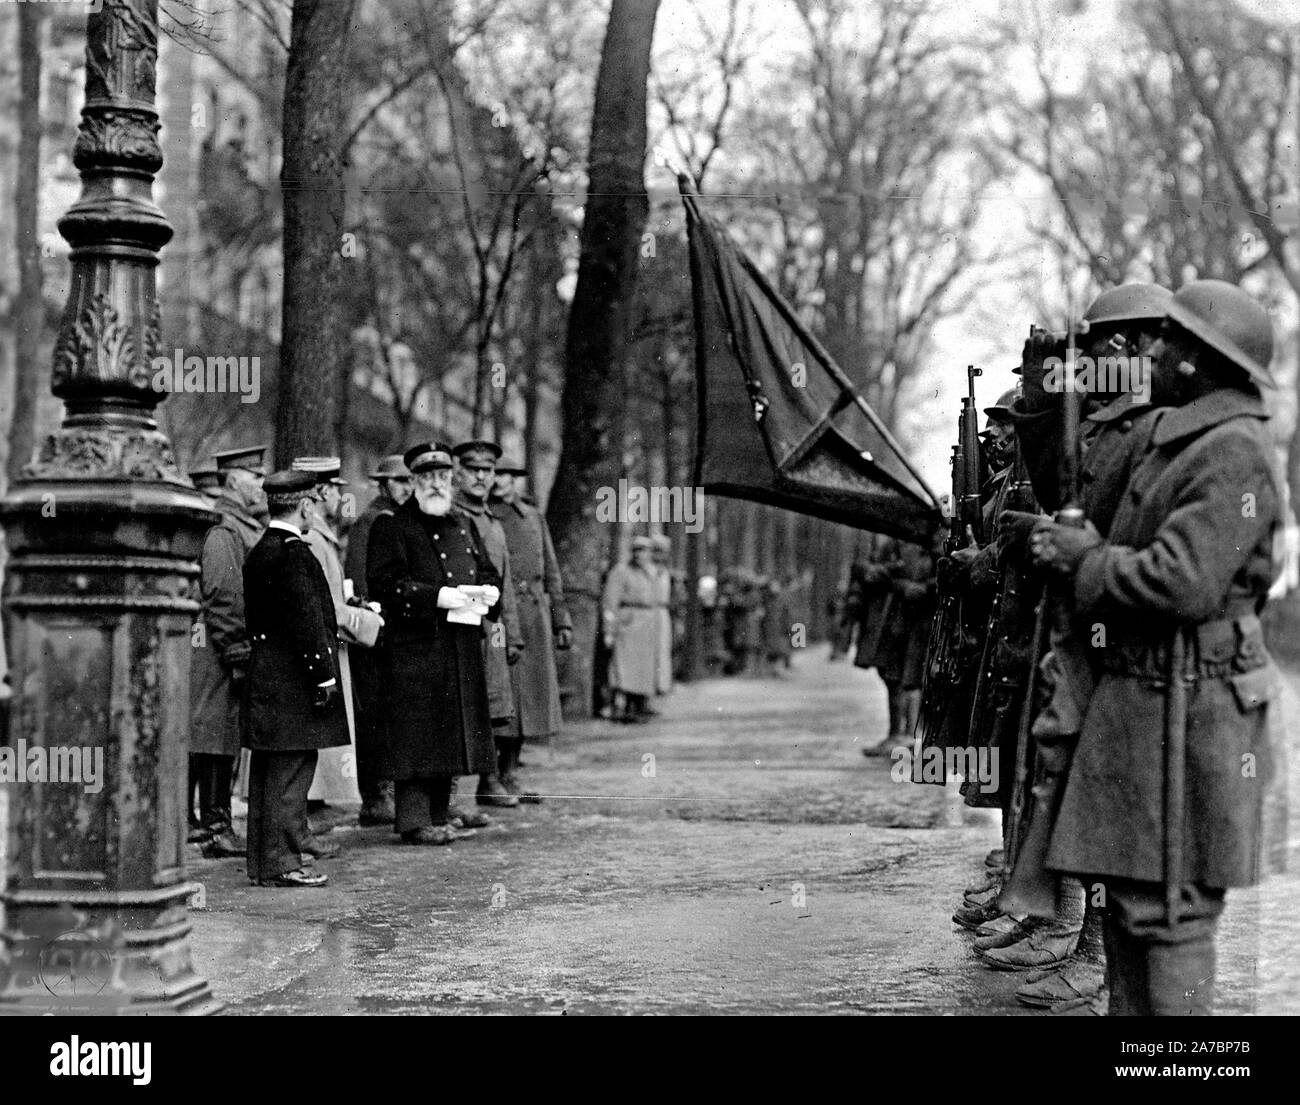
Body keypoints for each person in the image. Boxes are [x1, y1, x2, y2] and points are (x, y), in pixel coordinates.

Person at [1030, 279, 1280, 1016]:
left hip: (1193, 716)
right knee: (1133, 913)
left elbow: (1185, 581)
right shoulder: (1179, 436)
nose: (1156, 352)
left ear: (1199, 360)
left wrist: (1086, 559)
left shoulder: (1233, 450)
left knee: (1171, 919)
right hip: (1148, 703)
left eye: (1170, 341)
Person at [367, 441, 503, 845]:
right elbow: (386, 585)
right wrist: (436, 597)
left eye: (443, 477)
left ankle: (440, 814)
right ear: (413, 482)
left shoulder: (463, 524)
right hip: (416, 647)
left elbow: (487, 571)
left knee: (451, 731)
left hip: (460, 644)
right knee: (418, 735)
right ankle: (413, 821)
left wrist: (490, 593)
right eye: (427, 478)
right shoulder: (393, 526)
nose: (436, 485)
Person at [242, 470, 350, 888]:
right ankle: (285, 863)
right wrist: (324, 677)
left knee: (269, 774)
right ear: (305, 506)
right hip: (295, 684)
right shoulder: (295, 555)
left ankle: (266, 864)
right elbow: (307, 622)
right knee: (291, 774)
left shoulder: (260, 551)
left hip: (267, 678)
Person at [188, 444, 266, 858]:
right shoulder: (225, 527)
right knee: (217, 735)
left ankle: (214, 824)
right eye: (255, 477)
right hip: (219, 644)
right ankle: (216, 827)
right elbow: (221, 590)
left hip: (221, 640)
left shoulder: (239, 525)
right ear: (234, 479)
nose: (261, 484)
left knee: (221, 734)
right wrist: (236, 649)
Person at [291, 456, 370, 819]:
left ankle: (313, 807)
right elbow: (327, 608)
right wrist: (368, 623)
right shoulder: (315, 539)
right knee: (317, 732)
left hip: (325, 644)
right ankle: (309, 812)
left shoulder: (322, 535)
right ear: (321, 491)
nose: (340, 496)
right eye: (335, 489)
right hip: (323, 647)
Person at [490, 457, 573, 799]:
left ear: (517, 481)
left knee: (530, 702)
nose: (501, 481)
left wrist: (560, 619)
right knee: (501, 699)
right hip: (498, 616)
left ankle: (511, 774)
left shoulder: (534, 518)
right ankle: (491, 778)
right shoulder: (484, 517)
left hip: (535, 617)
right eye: (496, 474)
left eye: (508, 475)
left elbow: (551, 571)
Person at [452, 439, 524, 810]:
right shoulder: (451, 515)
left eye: (488, 471)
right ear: (457, 472)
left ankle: (488, 779)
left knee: (495, 704)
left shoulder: (492, 522)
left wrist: (512, 632)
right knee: (461, 708)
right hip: (462, 626)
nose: (482, 477)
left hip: (492, 628)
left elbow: (505, 581)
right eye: (473, 470)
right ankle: (455, 794)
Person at [344, 454, 411, 826]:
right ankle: (374, 796)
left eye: (410, 482)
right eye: (400, 482)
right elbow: (357, 581)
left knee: (392, 715)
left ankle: (388, 791)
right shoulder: (368, 521)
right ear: (385, 485)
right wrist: (372, 622)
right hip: (373, 634)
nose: (407, 488)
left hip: (395, 632)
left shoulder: (401, 520)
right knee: (374, 715)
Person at [602, 537, 665, 722]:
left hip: (647, 624)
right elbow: (610, 600)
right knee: (625, 666)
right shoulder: (621, 571)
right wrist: (609, 629)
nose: (640, 554)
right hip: (628, 622)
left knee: (644, 666)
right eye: (636, 550)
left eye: (644, 550)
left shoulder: (652, 572)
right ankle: (624, 706)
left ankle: (640, 704)